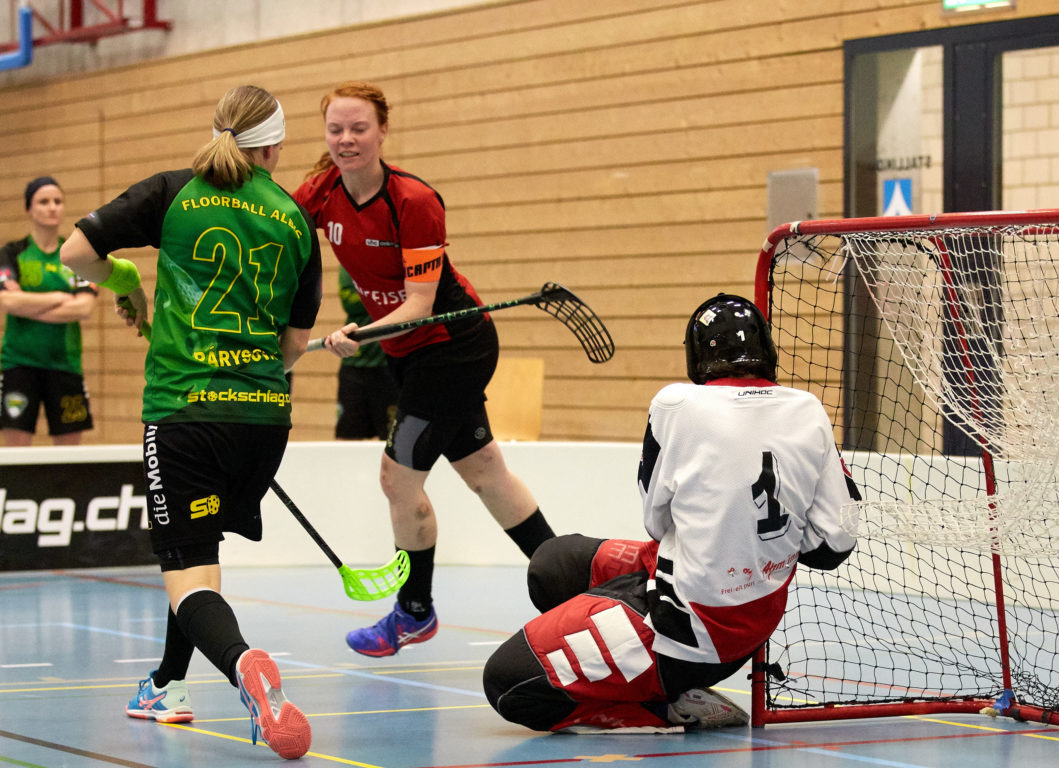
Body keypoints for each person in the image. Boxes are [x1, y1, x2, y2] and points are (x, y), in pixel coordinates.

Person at [61, 84, 322, 760]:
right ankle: (168, 684)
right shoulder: (294, 218)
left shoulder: (173, 192)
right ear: (276, 144)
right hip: (265, 418)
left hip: (183, 411)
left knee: (186, 568)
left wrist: (127, 284)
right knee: (199, 558)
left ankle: (243, 666)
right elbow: (295, 343)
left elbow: (75, 256)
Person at [482, 294, 861, 733]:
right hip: (744, 618)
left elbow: (656, 521)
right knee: (553, 562)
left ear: (696, 357)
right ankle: (634, 671)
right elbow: (834, 546)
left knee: (507, 684)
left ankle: (665, 706)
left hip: (685, 629)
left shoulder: (676, 405)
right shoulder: (808, 410)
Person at [293, 81, 555, 658]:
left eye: (358, 128)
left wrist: (356, 332)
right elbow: (278, 234)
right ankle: (570, 589)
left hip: (453, 347)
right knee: (487, 473)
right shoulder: (321, 193)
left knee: (397, 480)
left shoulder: (413, 201)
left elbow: (417, 304)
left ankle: (414, 611)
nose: (346, 139)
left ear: (382, 131)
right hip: (406, 356)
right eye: (335, 129)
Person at [0, 176, 98, 446]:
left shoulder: (75, 255)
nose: (52, 207)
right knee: (16, 454)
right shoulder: (11, 253)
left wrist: (26, 303)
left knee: (69, 456)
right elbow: (6, 303)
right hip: (19, 364)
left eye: (57, 201)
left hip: (65, 365)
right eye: (43, 202)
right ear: (29, 208)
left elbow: (85, 307)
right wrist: (58, 297)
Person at [334, 265, 398, 440]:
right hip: (353, 364)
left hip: (390, 365)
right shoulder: (348, 258)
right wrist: (383, 290)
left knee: (393, 441)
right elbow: (351, 302)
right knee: (346, 440)